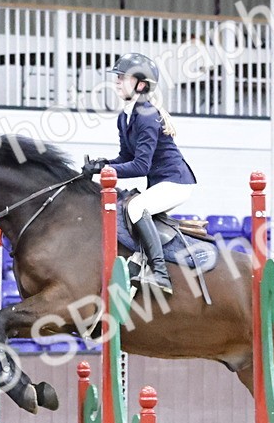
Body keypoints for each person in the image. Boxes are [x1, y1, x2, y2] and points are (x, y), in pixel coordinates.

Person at [83, 52, 196, 294]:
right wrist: (101, 164)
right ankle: (138, 262)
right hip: (161, 182)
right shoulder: (125, 117)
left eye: (123, 77)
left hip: (176, 182)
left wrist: (106, 170)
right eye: (117, 76)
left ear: (141, 84)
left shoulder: (146, 115)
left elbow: (141, 166)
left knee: (135, 208)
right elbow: (126, 158)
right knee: (129, 208)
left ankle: (161, 275)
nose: (117, 81)